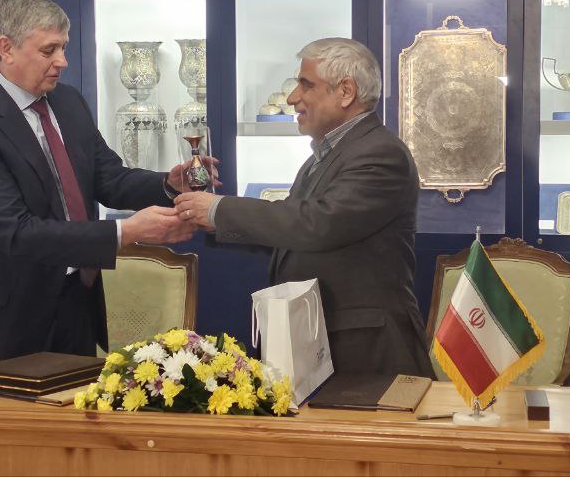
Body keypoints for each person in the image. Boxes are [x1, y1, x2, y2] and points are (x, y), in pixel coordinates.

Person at [0, 0, 198, 365]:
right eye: (49, 50)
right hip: (5, 319)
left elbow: (108, 178)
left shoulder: (68, 102)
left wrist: (168, 183)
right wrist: (126, 232)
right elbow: (16, 232)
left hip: (75, 300)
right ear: (6, 48)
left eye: (64, 48)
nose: (62, 61)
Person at [174, 37, 433, 377]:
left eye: (306, 85)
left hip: (366, 354)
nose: (293, 98)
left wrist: (218, 209)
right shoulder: (326, 155)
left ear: (346, 92)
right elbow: (293, 228)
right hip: (323, 345)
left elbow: (317, 223)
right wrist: (214, 222)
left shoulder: (381, 154)